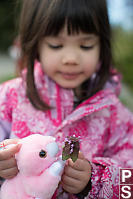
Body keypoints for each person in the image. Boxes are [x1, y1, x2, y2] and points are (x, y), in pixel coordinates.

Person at [0, 0, 133, 198]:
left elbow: (128, 183)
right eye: (56, 45)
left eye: (86, 45)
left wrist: (93, 179)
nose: (71, 58)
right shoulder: (9, 97)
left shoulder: (115, 114)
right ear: (36, 44)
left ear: (101, 46)